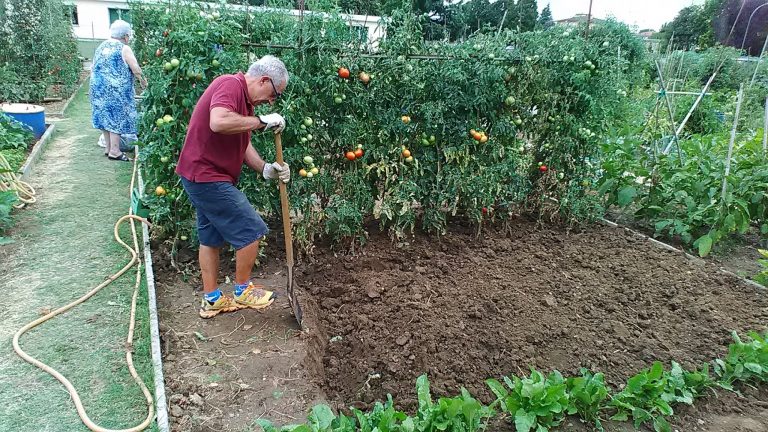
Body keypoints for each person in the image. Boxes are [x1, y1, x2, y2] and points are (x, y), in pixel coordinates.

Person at [176, 55, 291, 319]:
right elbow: (219, 122)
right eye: (274, 94)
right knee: (252, 230)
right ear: (264, 80)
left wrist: (264, 168)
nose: (271, 101)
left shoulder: (245, 102)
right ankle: (242, 291)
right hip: (207, 177)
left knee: (210, 239)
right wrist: (263, 120)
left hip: (200, 176)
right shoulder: (230, 85)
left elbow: (242, 141)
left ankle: (212, 299)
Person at [90, 19, 147, 162]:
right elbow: (136, 69)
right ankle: (115, 151)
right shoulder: (124, 48)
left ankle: (108, 148)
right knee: (116, 119)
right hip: (116, 92)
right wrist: (144, 81)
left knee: (105, 117)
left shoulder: (102, 46)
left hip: (98, 89)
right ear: (126, 36)